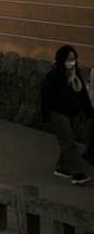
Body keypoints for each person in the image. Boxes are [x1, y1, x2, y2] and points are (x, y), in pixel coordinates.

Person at [40, 45, 94, 185]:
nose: (72, 61)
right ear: (62, 59)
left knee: (70, 140)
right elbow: (46, 97)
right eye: (69, 58)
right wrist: (45, 116)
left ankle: (62, 168)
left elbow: (83, 96)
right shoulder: (53, 76)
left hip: (74, 113)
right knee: (69, 142)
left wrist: (89, 114)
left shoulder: (76, 75)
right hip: (58, 113)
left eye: (74, 58)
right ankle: (78, 174)